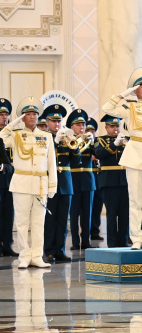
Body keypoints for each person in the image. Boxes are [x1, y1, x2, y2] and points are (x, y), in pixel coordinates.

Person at [101, 67, 142, 250]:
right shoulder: (129, 107)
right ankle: (137, 238)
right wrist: (125, 93)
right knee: (136, 201)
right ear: (136, 89)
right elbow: (107, 108)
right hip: (135, 155)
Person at [0, 97, 57, 268]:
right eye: (28, 114)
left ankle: (37, 256)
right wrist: (15, 121)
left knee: (39, 222)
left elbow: (51, 163)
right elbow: (1, 135)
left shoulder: (46, 136)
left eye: (35, 114)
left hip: (40, 183)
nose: (32, 117)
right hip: (22, 183)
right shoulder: (16, 135)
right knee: (22, 222)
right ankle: (25, 256)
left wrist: (52, 185)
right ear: (23, 117)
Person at [42, 103, 73, 263]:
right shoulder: (44, 138)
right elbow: (43, 158)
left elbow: (76, 161)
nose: (57, 124)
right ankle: (48, 250)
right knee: (50, 220)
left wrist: (74, 146)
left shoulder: (67, 138)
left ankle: (60, 250)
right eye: (53, 121)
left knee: (62, 220)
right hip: (50, 185)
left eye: (59, 121)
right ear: (46, 122)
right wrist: (54, 141)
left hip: (66, 184)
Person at [93, 114, 130, 247]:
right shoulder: (100, 140)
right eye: (112, 126)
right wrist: (114, 144)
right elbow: (99, 154)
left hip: (125, 182)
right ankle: (112, 243)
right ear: (106, 127)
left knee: (125, 215)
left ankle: (124, 241)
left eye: (117, 126)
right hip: (109, 182)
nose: (116, 129)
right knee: (112, 214)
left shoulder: (127, 139)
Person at [65, 108, 96, 250]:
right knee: (74, 212)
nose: (81, 127)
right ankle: (75, 242)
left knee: (87, 214)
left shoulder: (89, 140)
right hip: (74, 180)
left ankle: (86, 240)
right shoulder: (68, 141)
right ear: (72, 126)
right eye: (78, 125)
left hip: (88, 181)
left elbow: (97, 155)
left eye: (83, 124)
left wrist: (94, 142)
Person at [0, 98, 15, 257]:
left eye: (6, 114)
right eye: (1, 114)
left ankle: (7, 244)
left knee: (8, 213)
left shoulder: (13, 134)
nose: (4, 117)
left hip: (10, 179)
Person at [86, 117, 104, 243]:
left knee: (98, 206)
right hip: (87, 177)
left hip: (98, 177)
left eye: (92, 130)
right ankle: (86, 233)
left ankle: (95, 231)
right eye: (87, 130)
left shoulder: (98, 142)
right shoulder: (81, 142)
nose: (90, 133)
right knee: (88, 207)